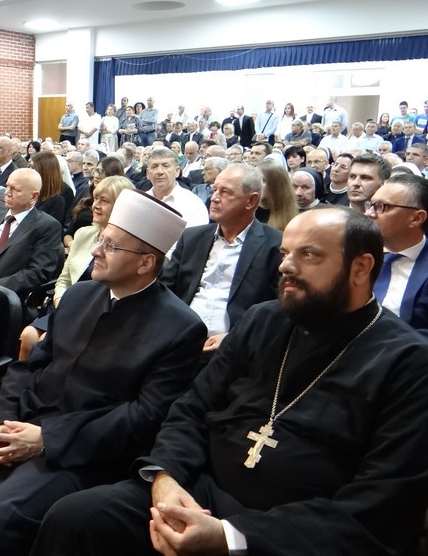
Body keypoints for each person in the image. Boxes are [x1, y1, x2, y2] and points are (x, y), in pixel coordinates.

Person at [31, 207, 428, 556]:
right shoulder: (263, 320)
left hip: (291, 531)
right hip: (198, 492)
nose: (286, 266)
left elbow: (382, 501)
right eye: (285, 253)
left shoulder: (408, 361)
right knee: (79, 519)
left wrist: (231, 538)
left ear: (361, 267)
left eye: (308, 255)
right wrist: (165, 475)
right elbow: (190, 409)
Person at [0, 188, 207, 556]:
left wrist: (46, 439)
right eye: (100, 240)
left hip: (77, 448)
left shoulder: (180, 328)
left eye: (110, 246)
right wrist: (4, 422)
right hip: (16, 419)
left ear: (145, 263)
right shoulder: (80, 295)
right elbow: (28, 366)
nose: (96, 251)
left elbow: (142, 418)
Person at [161, 162, 282, 357]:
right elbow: (165, 290)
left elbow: (278, 309)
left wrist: (234, 337)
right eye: (214, 189)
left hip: (237, 348)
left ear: (251, 201)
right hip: (181, 340)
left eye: (225, 192)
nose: (214, 198)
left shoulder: (274, 245)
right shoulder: (191, 238)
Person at [18, 175, 135, 360]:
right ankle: (24, 377)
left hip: (96, 315)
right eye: (95, 198)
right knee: (28, 336)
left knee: (45, 343)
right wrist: (61, 301)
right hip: (66, 305)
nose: (95, 205)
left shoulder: (126, 247)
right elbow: (64, 279)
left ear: (122, 206)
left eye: (104, 201)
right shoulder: (83, 234)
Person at [0, 168, 63, 298]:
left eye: (15, 189)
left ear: (33, 196)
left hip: (2, 294)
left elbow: (37, 273)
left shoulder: (47, 226)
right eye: (7, 186)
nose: (7, 193)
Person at [367, 174, 428, 334]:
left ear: (416, 218)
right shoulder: (357, 252)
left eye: (382, 206)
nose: (369, 213)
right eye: (371, 205)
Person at [255, 159, 298, 231]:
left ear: (276, 185)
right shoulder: (245, 213)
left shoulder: (294, 221)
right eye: (254, 179)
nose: (256, 184)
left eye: (263, 180)